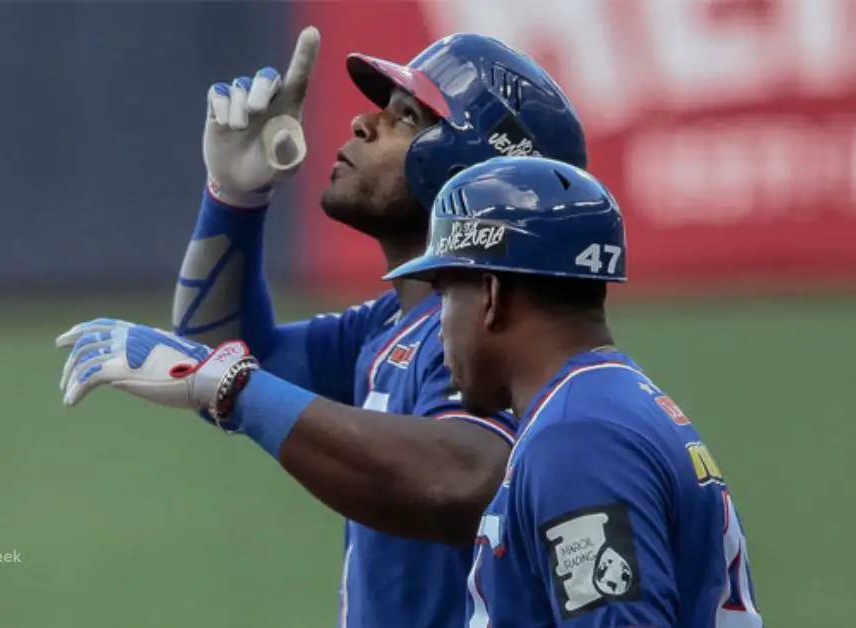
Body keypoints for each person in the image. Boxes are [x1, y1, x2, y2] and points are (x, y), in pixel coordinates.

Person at [56, 26, 587, 628]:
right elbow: (220, 353)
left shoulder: (495, 332)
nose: (364, 124)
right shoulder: (391, 324)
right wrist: (234, 196)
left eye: (408, 118)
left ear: (485, 173)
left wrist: (230, 384)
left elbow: (463, 478)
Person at [382, 155, 763, 627]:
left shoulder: (577, 440)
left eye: (444, 296)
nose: (439, 330)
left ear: (491, 295)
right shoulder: (608, 402)